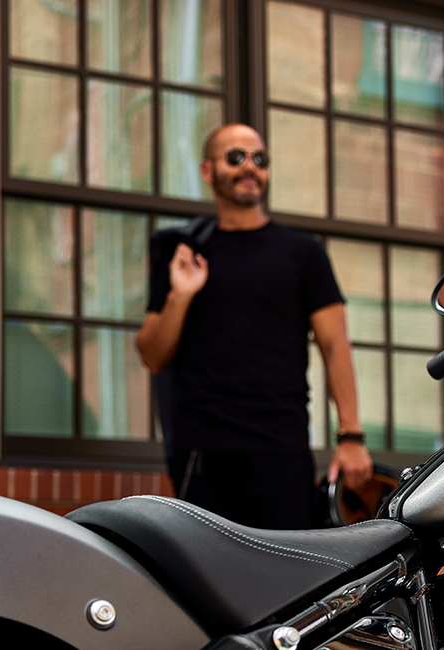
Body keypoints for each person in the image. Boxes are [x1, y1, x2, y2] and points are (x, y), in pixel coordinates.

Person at [136, 123, 373, 529]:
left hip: (280, 450)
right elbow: (152, 355)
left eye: (259, 159)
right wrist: (181, 294)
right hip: (202, 453)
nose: (250, 167)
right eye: (236, 157)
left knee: (285, 565)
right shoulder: (186, 254)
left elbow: (335, 345)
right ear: (208, 171)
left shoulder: (304, 253)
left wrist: (350, 436)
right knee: (205, 567)